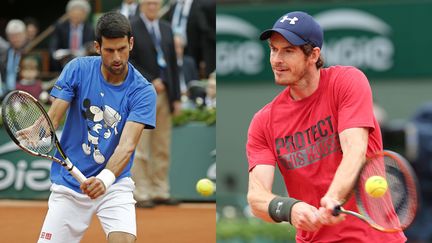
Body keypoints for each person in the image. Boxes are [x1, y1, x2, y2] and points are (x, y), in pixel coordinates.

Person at [245, 11, 406, 242]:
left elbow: (355, 151)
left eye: (288, 51)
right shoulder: (263, 122)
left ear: (313, 55)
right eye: (273, 49)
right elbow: (256, 198)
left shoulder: (347, 82)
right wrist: (291, 209)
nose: (276, 59)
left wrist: (333, 197)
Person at [37, 12, 156, 243]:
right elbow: (53, 117)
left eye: (122, 49)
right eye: (109, 50)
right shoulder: (77, 69)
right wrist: (36, 133)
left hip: (114, 185)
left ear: (131, 43)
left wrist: (105, 179)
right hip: (69, 186)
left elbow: (127, 145)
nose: (117, 57)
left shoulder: (143, 91)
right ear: (97, 47)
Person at [129, 0, 181, 208]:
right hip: (142, 93)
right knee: (141, 146)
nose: (153, 6)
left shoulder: (166, 28)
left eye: (156, 3)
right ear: (142, 4)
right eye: (149, 3)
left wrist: (175, 96)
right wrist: (150, 79)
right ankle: (141, 192)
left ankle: (160, 190)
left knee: (162, 146)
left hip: (165, 94)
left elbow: (173, 65)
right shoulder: (131, 26)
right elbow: (128, 61)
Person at [49, 0, 95, 71]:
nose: (76, 17)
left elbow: (92, 47)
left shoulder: (90, 29)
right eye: (74, 14)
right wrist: (56, 55)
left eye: (79, 15)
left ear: (85, 15)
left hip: (83, 62)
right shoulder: (60, 28)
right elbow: (53, 46)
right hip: (63, 62)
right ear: (69, 14)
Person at [0, 19, 28, 98]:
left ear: (25, 34)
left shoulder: (31, 51)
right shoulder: (4, 51)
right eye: (12, 36)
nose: (16, 39)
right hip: (5, 92)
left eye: (18, 35)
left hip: (25, 92)